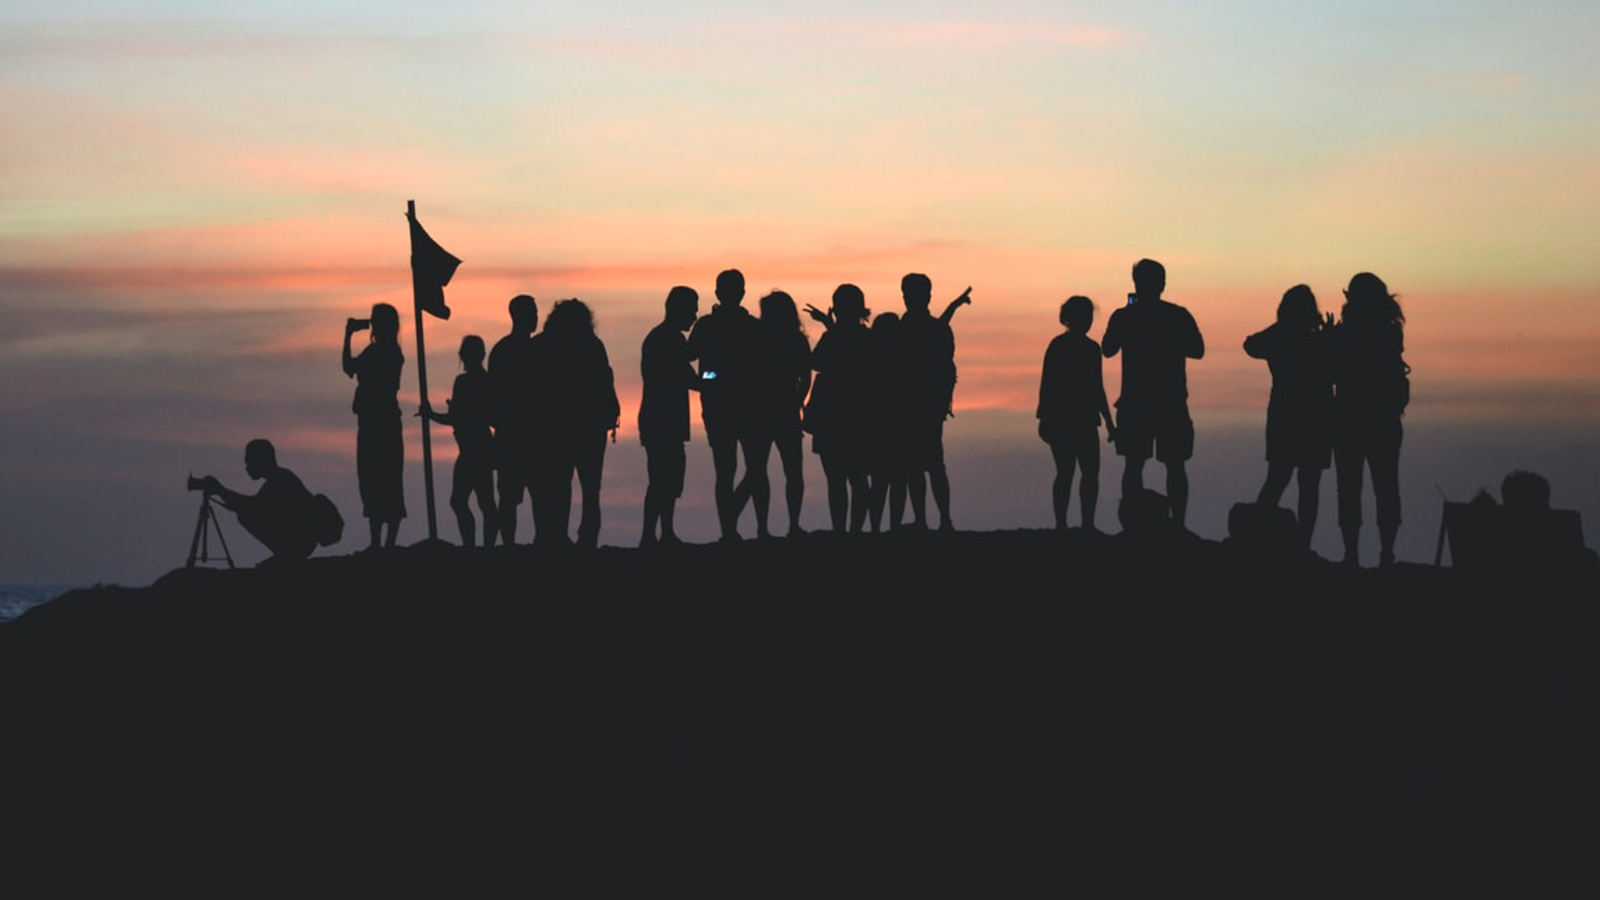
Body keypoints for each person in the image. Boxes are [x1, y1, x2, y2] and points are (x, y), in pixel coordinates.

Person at [1102, 258, 1205, 530]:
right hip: (1170, 401)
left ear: (1136, 284)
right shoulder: (1178, 315)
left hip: (1136, 402)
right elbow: (1198, 349)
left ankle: (1133, 525)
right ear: (1162, 284)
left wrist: (1128, 317)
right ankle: (1179, 525)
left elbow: (1107, 348)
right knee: (1175, 465)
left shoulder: (1124, 316)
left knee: (1134, 464)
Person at [1244, 285, 1334, 548]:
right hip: (1315, 416)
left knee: (1279, 478)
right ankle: (1302, 544)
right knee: (1308, 485)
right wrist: (1325, 337)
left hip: (1285, 415)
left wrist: (1283, 328)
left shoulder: (1280, 338)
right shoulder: (1316, 340)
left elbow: (1251, 344)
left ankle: (1257, 537)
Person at [1330, 272, 1408, 567]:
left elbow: (1332, 372)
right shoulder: (1391, 332)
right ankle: (1386, 555)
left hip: (1349, 420)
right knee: (1386, 488)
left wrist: (1329, 338)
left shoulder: (1345, 334)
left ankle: (1351, 555)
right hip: (1384, 420)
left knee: (1349, 489)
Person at [532, 298, 620, 549]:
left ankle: (559, 535)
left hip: (557, 427)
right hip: (588, 427)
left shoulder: (542, 345)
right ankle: (586, 537)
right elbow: (605, 382)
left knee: (560, 484)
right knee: (591, 489)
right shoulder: (592, 345)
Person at [686, 269, 763, 541]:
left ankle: (733, 521)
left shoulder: (751, 326)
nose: (732, 294)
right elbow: (687, 356)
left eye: (735, 289)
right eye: (729, 289)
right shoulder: (708, 325)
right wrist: (709, 378)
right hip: (723, 405)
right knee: (728, 469)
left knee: (750, 469)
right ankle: (729, 530)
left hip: (745, 406)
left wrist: (709, 378)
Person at [733, 290, 812, 538]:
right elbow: (806, 376)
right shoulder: (795, 339)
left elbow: (743, 373)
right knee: (787, 472)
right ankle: (787, 526)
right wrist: (798, 400)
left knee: (759, 472)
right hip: (779, 410)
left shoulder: (754, 336)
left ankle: (761, 526)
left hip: (760, 412)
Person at [1037, 296, 1116, 531]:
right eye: (1085, 316)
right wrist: (1109, 423)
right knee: (1078, 473)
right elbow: (1052, 385)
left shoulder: (1067, 346)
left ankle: (1077, 524)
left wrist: (1109, 423)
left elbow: (1095, 388)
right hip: (1073, 421)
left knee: (1075, 474)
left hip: (1073, 420)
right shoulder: (1081, 348)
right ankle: (1077, 524)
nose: (1088, 321)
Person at [895, 274, 962, 531]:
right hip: (924, 407)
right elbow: (947, 369)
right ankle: (935, 520)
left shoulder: (904, 330)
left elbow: (946, 368)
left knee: (923, 465)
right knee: (928, 465)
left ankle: (934, 520)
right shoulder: (937, 329)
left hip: (915, 407)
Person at [807, 284, 874, 533]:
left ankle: (840, 531)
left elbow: (816, 362)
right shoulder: (868, 338)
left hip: (832, 416)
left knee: (837, 479)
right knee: (858, 478)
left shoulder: (833, 336)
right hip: (860, 416)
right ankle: (854, 530)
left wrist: (829, 326)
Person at [420, 335, 498, 548]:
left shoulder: (470, 382)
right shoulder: (474, 381)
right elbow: (458, 417)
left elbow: (462, 417)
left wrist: (434, 414)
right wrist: (434, 414)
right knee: (469, 502)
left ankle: (477, 546)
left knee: (479, 503)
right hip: (472, 447)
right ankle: (474, 545)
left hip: (477, 448)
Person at [639, 286, 701, 546]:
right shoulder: (669, 339)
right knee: (663, 479)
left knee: (665, 478)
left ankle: (661, 533)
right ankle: (655, 535)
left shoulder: (660, 337)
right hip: (663, 420)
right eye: (692, 310)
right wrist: (717, 376)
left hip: (658, 419)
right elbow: (690, 376)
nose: (694, 316)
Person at [342, 302, 405, 550]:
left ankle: (385, 542)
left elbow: (349, 368)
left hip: (381, 423)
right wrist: (348, 337)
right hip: (372, 422)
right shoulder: (378, 351)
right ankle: (379, 542)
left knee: (384, 480)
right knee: (373, 481)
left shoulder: (386, 352)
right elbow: (349, 367)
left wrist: (347, 336)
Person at [199, 439, 321, 563]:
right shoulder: (280, 477)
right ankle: (285, 554)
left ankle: (287, 554)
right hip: (302, 538)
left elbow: (254, 507)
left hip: (301, 540)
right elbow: (255, 505)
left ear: (261, 459)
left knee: (245, 515)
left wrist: (220, 490)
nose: (247, 468)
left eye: (249, 462)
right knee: (245, 513)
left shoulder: (280, 480)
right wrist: (222, 492)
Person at [488, 294, 539, 545]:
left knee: (522, 496)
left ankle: (514, 543)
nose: (536, 318)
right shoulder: (530, 351)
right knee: (513, 496)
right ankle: (510, 543)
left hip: (519, 433)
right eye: (533, 313)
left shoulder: (502, 349)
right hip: (518, 434)